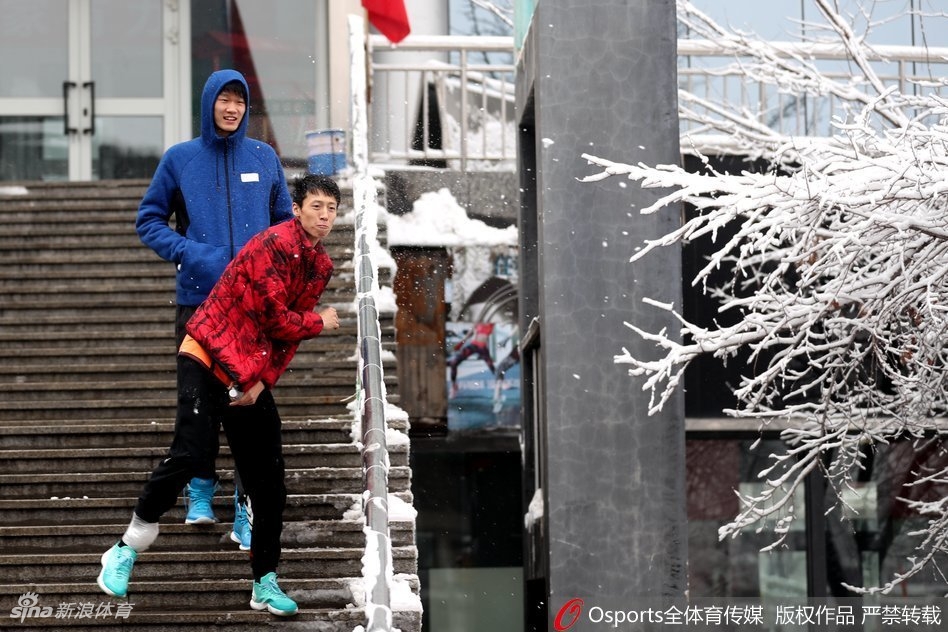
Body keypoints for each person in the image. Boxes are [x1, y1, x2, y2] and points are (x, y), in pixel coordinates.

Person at [97, 174, 341, 616]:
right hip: (207, 353)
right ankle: (126, 547)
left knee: (269, 481)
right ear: (298, 208)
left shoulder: (319, 266)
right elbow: (276, 314)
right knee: (191, 453)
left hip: (246, 371)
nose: (324, 216)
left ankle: (264, 582)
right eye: (316, 206)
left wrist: (263, 380)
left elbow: (286, 336)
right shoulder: (272, 243)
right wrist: (320, 322)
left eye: (332, 209)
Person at [136, 68, 294, 547]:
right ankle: (200, 485)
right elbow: (148, 220)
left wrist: (274, 277)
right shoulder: (180, 159)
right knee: (199, 403)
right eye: (223, 99)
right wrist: (190, 251)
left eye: (239, 101)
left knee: (249, 409)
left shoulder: (264, 158)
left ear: (247, 108)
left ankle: (246, 508)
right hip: (199, 303)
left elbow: (286, 225)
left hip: (252, 311)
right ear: (208, 104)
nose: (231, 108)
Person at [447, 321, 496, 397]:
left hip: (482, 348)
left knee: (491, 366)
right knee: (454, 362)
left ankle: (500, 381)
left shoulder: (491, 322)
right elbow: (469, 334)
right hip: (474, 345)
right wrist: (460, 344)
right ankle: (454, 386)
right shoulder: (478, 321)